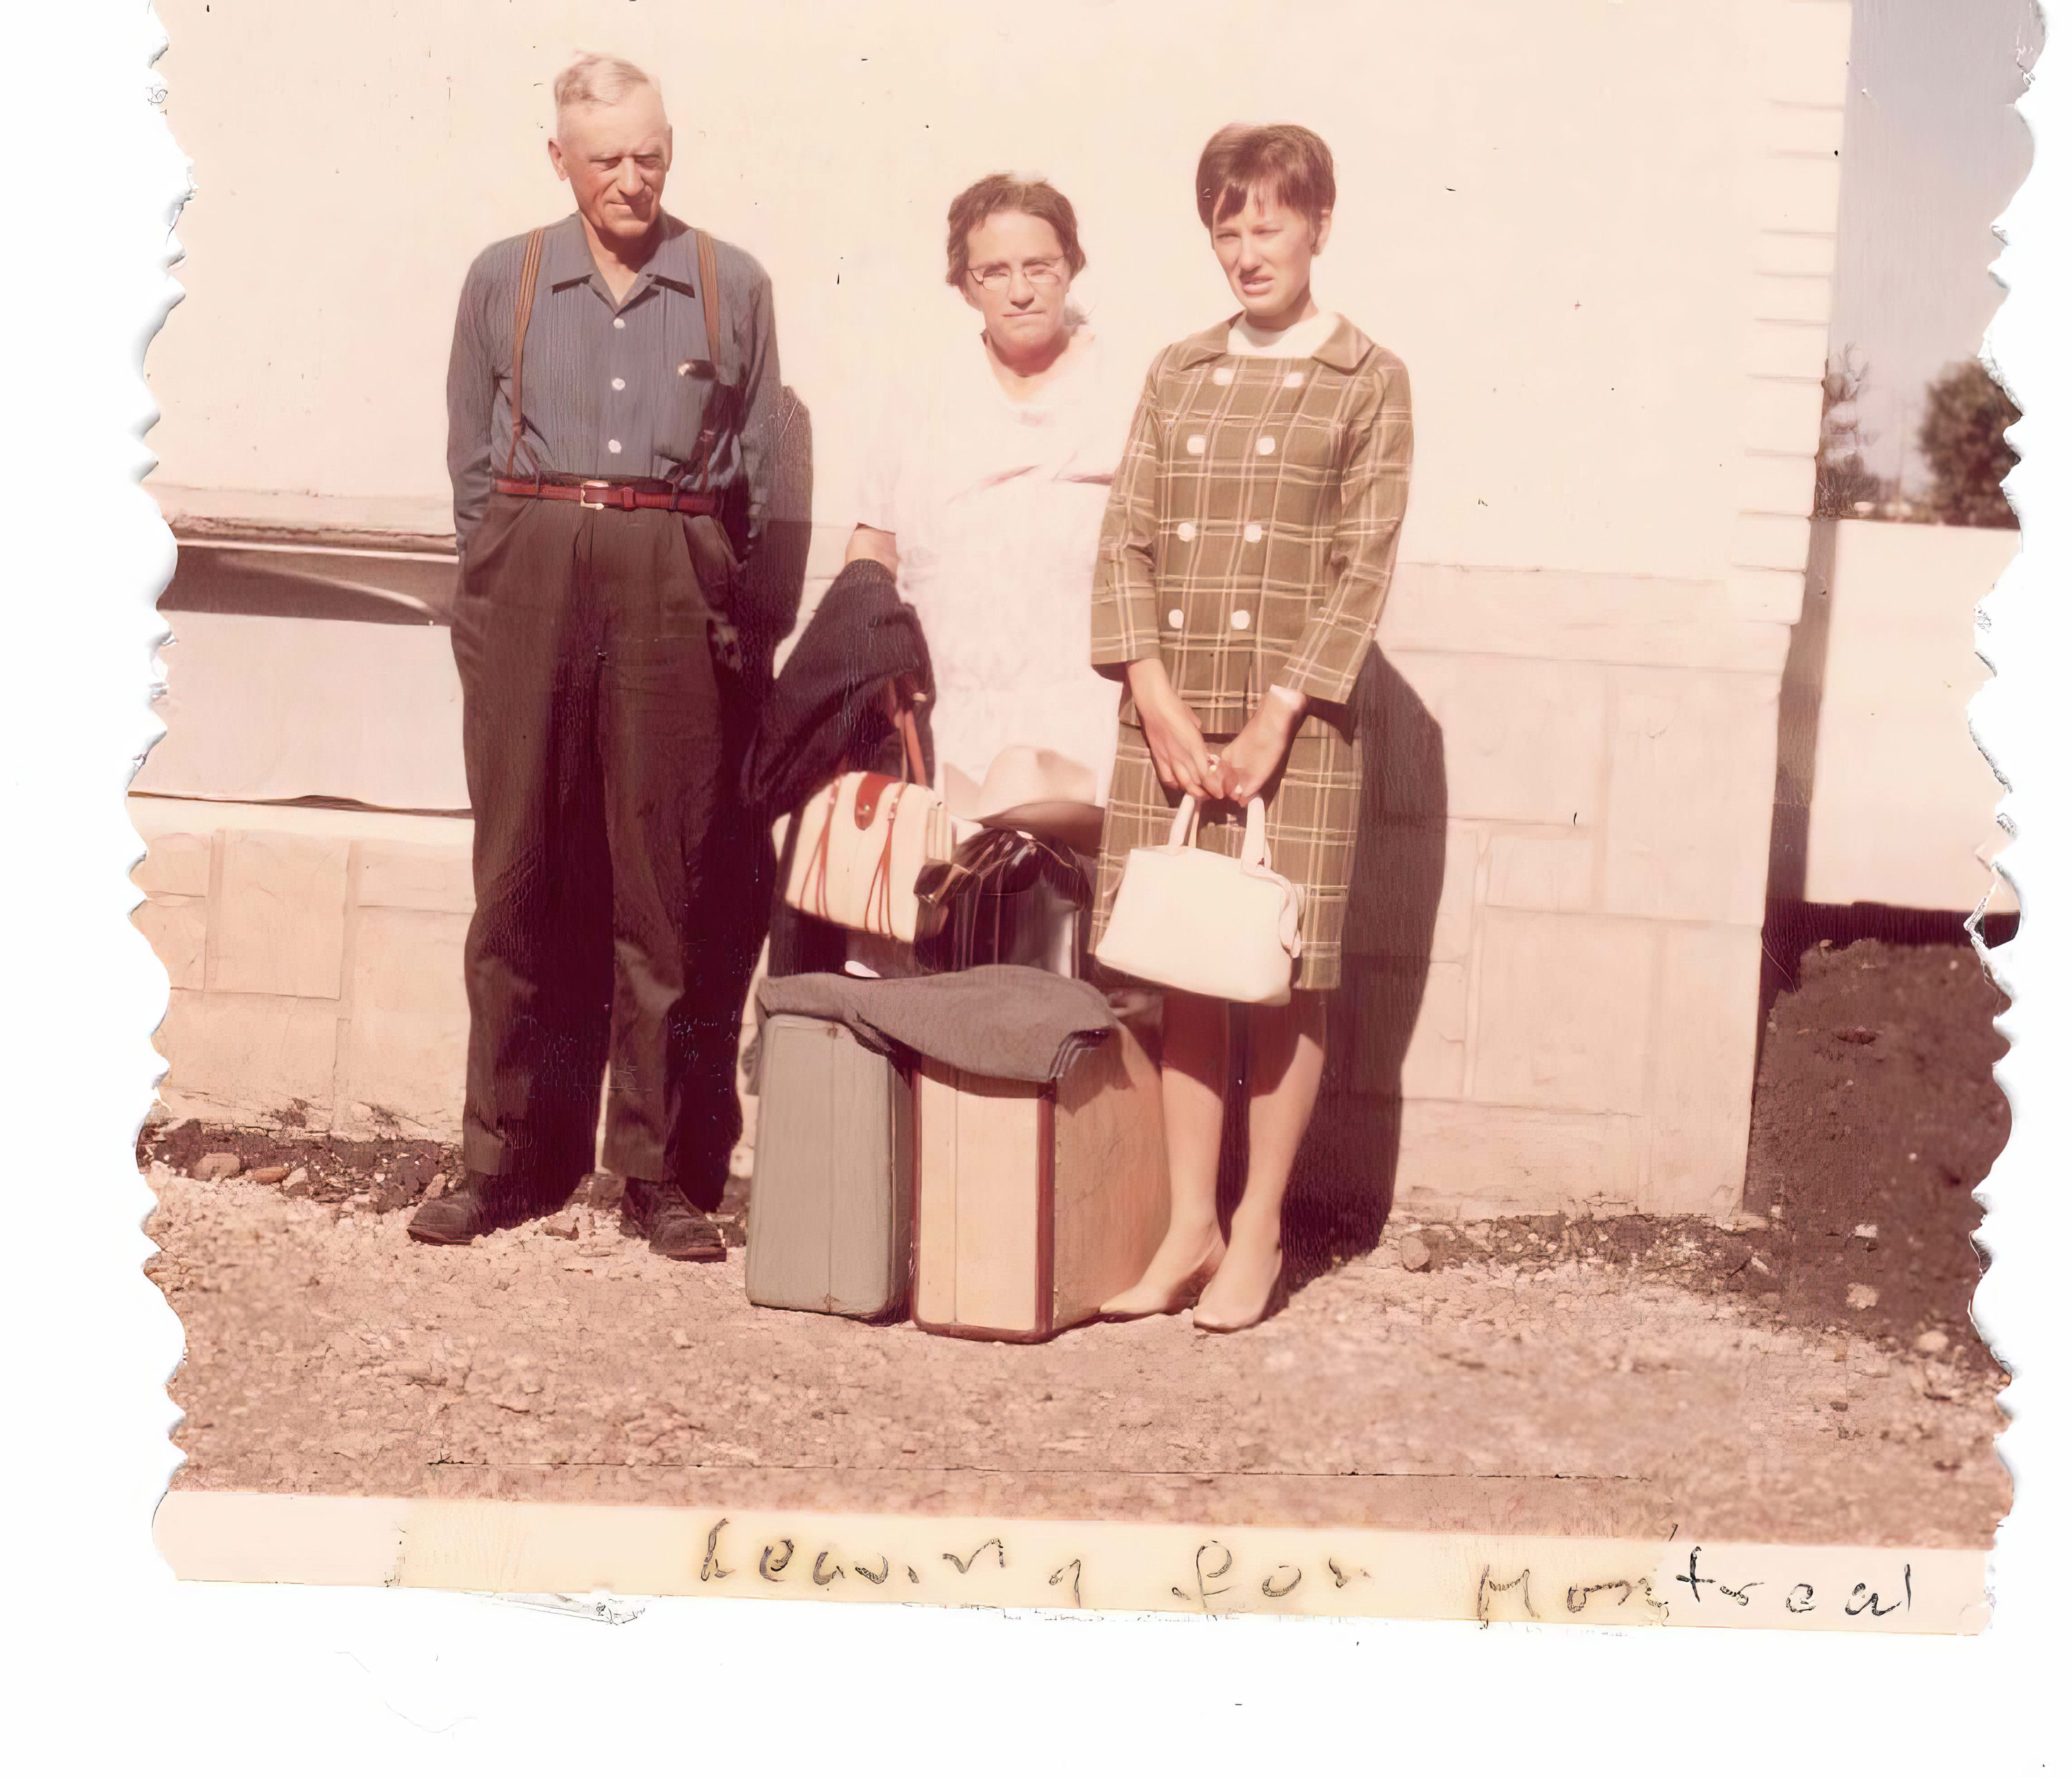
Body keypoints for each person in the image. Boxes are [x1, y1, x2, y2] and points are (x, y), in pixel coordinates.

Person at [414, 52, 782, 1259]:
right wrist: (499, 571)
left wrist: (705, 591)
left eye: (651, 155)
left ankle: (654, 1171)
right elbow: (471, 458)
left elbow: (755, 474)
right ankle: (499, 1156)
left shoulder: (731, 283)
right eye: (607, 157)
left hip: (668, 580)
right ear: (560, 158)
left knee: (659, 887)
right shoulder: (505, 277)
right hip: (529, 567)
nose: (632, 179)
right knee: (516, 873)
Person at [1090, 124, 1414, 1332]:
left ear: (1319, 226)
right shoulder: (1179, 371)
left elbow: (1362, 563)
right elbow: (1125, 536)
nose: (1247, 250)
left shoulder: (1369, 379)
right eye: (1227, 228)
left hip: (1299, 723)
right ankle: (1191, 1226)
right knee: (1186, 962)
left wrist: (1282, 710)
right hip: (1173, 713)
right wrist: (1155, 695)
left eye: (1269, 224)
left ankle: (1261, 1226)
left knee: (1280, 971)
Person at [844, 174, 1132, 818]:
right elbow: (874, 544)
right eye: (994, 272)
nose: (1020, 291)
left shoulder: (1124, 388)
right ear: (965, 285)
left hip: (1090, 720)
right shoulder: (924, 395)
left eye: (1040, 266)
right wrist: (876, 654)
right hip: (951, 721)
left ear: (1071, 266)